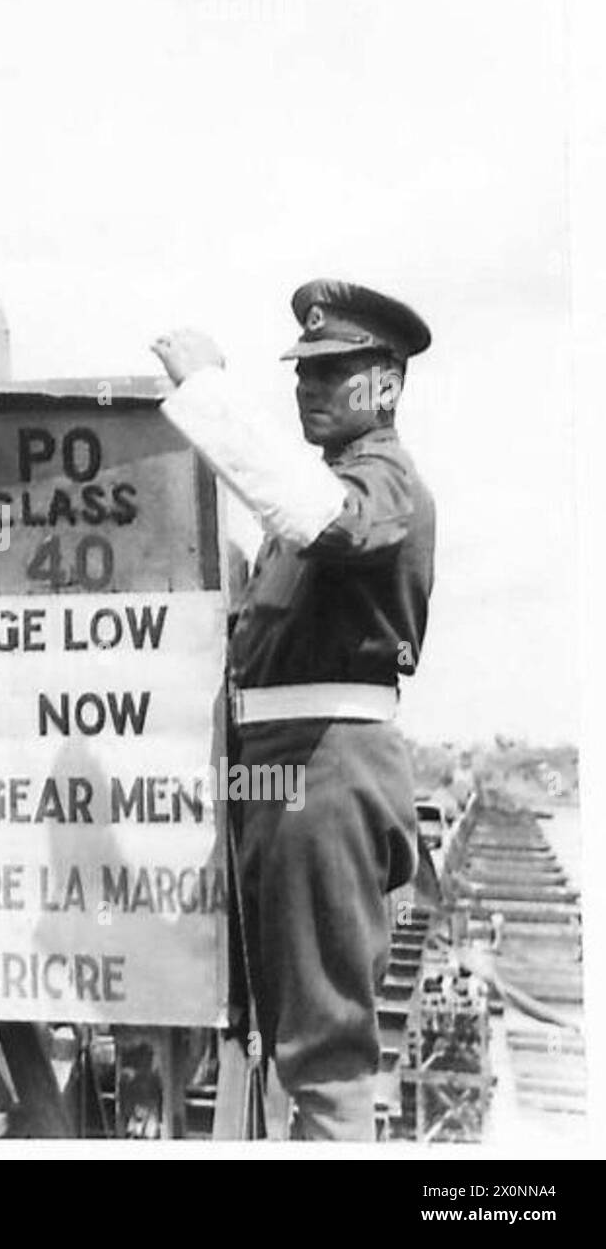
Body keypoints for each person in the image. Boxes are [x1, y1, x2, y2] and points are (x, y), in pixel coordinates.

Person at [152, 279, 435, 1141]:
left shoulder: (381, 482)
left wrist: (208, 396)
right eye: (303, 372)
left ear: (385, 384)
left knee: (324, 1051)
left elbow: (324, 524)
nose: (309, 387)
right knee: (278, 1031)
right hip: (286, 767)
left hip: (328, 767)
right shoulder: (313, 503)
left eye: (334, 370)